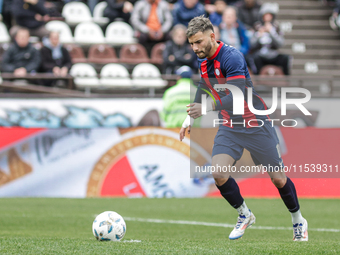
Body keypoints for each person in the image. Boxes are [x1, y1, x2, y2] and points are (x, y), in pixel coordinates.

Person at [179, 15, 308, 241]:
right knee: (218, 172)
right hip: (230, 126)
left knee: (278, 179)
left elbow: (236, 97)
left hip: (256, 124)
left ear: (212, 36)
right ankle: (244, 214)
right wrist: (189, 118)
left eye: (198, 42)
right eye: (191, 43)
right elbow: (204, 85)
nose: (194, 48)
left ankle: (298, 219)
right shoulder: (202, 60)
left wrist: (207, 108)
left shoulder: (232, 57)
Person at [250, 3, 290, 75]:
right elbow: (251, 44)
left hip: (273, 54)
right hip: (260, 54)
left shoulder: (276, 27)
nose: (268, 17)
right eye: (266, 15)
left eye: (270, 15)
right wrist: (258, 35)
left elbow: (281, 43)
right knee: (254, 58)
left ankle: (286, 79)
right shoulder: (256, 27)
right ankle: (257, 79)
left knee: (285, 58)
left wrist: (272, 32)